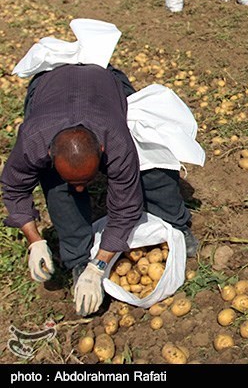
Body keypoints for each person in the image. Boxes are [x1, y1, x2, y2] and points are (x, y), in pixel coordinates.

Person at [1, 63, 199, 317]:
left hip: (104, 82)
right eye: (78, 182)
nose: (83, 188)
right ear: (50, 153)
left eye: (87, 179)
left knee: (152, 163)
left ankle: (176, 223)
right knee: (60, 191)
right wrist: (35, 240)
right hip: (49, 88)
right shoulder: (33, 139)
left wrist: (100, 266)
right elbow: (14, 187)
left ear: (103, 151)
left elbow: (125, 208)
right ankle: (77, 259)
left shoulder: (116, 140)